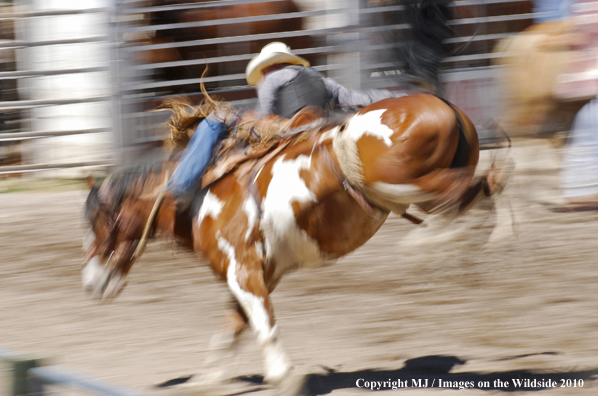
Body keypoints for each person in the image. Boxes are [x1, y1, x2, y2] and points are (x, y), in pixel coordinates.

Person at [167, 42, 398, 209]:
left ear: (271, 65)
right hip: (319, 126)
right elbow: (355, 98)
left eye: (264, 69)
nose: (264, 73)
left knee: (216, 120)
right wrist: (394, 97)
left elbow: (263, 114)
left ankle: (182, 185)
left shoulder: (272, 78)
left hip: (286, 129)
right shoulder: (318, 77)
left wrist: (243, 119)